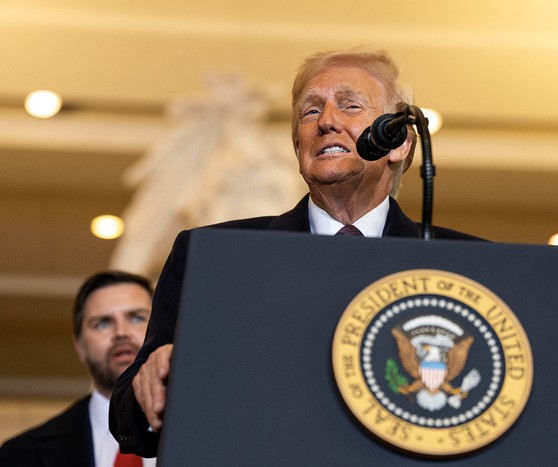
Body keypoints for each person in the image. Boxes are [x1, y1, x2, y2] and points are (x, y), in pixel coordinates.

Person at [109, 47, 485, 457]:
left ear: (398, 144)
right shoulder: (215, 257)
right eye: (310, 112)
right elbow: (129, 420)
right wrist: (158, 382)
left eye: (350, 105)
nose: (326, 122)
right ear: (298, 147)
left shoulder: (470, 265)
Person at [0, 271, 156, 467]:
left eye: (137, 318)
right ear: (79, 347)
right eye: (102, 323)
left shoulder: (203, 432)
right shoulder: (21, 455)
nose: (121, 333)